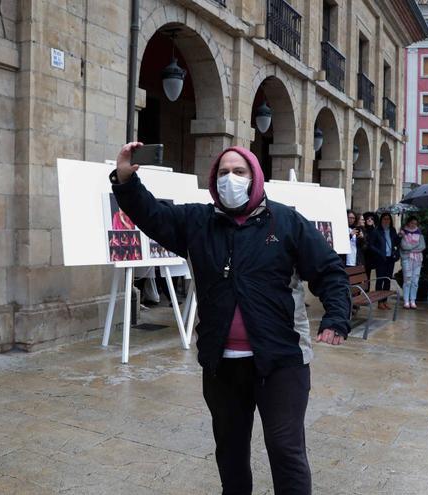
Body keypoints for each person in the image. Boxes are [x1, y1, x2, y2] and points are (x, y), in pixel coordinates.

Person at [111, 142, 349, 494]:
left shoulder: (286, 221)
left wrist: (336, 317)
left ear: (254, 178)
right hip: (222, 364)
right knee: (231, 451)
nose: (230, 179)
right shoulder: (196, 222)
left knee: (286, 449)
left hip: (281, 361)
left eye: (239, 172)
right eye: (223, 172)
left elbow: (329, 270)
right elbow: (151, 214)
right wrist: (126, 179)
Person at [369, 212, 400, 310]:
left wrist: (399, 237)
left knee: (387, 280)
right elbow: (371, 245)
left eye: (388, 219)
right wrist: (379, 252)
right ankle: (379, 302)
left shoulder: (392, 230)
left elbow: (396, 242)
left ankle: (385, 301)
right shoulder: (376, 231)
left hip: (390, 258)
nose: (386, 221)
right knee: (380, 280)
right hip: (381, 259)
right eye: (384, 219)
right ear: (381, 220)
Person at [398, 216, 425, 309]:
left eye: (415, 223)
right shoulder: (403, 233)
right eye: (412, 222)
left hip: (417, 260)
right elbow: (404, 246)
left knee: (415, 281)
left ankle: (412, 300)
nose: (413, 225)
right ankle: (406, 300)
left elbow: (422, 246)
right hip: (406, 259)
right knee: (407, 280)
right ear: (408, 223)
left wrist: (411, 247)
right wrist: (415, 246)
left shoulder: (419, 233)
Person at [361, 212, 377, 282]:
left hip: (370, 259)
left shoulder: (376, 231)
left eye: (372, 219)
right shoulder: (362, 230)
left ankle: (366, 292)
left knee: (367, 278)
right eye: (367, 218)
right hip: (361, 257)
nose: (370, 220)